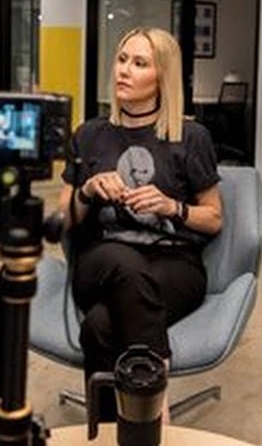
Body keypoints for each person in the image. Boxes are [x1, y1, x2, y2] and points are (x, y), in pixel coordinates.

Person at [58, 27, 223, 422]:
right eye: (121, 59)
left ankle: (110, 433)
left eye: (139, 63)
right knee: (122, 260)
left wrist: (172, 207)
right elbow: (64, 218)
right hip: (100, 260)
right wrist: (88, 190)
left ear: (162, 76)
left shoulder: (191, 136)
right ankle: (154, 404)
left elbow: (214, 219)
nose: (124, 70)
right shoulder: (90, 134)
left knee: (100, 327)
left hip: (174, 263)